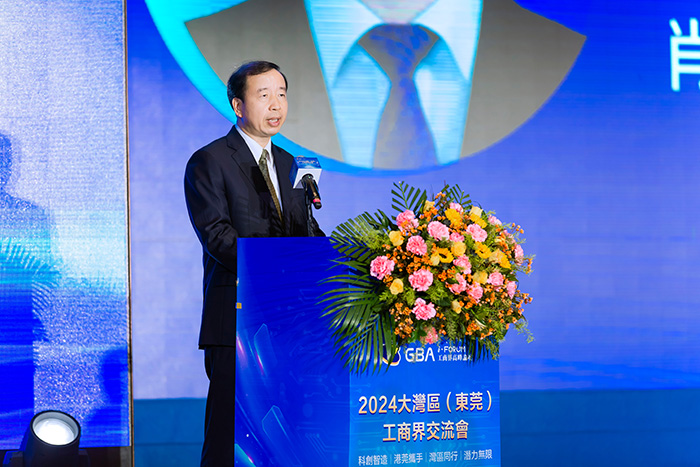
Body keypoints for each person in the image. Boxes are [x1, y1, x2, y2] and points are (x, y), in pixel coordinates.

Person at [183, 61, 324, 467]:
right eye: (264, 95)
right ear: (237, 105)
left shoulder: (291, 164)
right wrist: (277, 270)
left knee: (288, 435)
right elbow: (217, 237)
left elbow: (305, 231)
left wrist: (344, 259)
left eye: (282, 93)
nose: (276, 104)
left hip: (291, 324)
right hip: (237, 321)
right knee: (230, 436)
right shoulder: (209, 161)